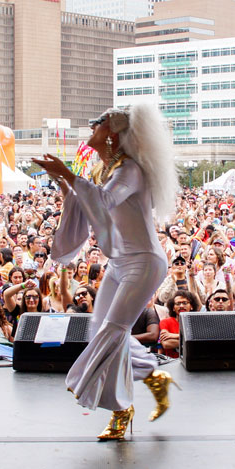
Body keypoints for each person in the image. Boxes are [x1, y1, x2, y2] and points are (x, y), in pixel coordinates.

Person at [35, 101, 180, 439]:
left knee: (112, 332)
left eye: (97, 123)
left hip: (144, 262)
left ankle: (120, 409)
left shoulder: (130, 170)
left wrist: (68, 174)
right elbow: (86, 203)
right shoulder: (105, 170)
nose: (91, 128)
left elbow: (103, 202)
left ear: (113, 133)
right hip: (118, 263)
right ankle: (153, 375)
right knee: (101, 329)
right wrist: (64, 181)